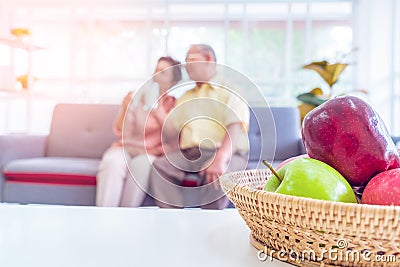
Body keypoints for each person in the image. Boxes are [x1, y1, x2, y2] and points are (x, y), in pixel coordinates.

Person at [149, 44, 250, 209]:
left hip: (225, 152)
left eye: (191, 59)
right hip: (190, 154)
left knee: (218, 174)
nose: (186, 65)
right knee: (161, 167)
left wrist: (220, 158)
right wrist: (161, 115)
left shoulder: (231, 90)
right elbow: (172, 131)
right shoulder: (186, 96)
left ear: (209, 59)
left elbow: (236, 127)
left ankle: (208, 225)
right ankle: (172, 220)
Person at [96, 56, 182, 207]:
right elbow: (120, 130)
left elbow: (174, 139)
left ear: (172, 82)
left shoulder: (174, 104)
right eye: (156, 70)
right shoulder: (138, 98)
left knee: (140, 166)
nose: (156, 75)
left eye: (163, 73)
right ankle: (105, 216)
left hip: (151, 152)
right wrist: (126, 107)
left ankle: (127, 216)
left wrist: (161, 116)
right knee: (112, 163)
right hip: (125, 147)